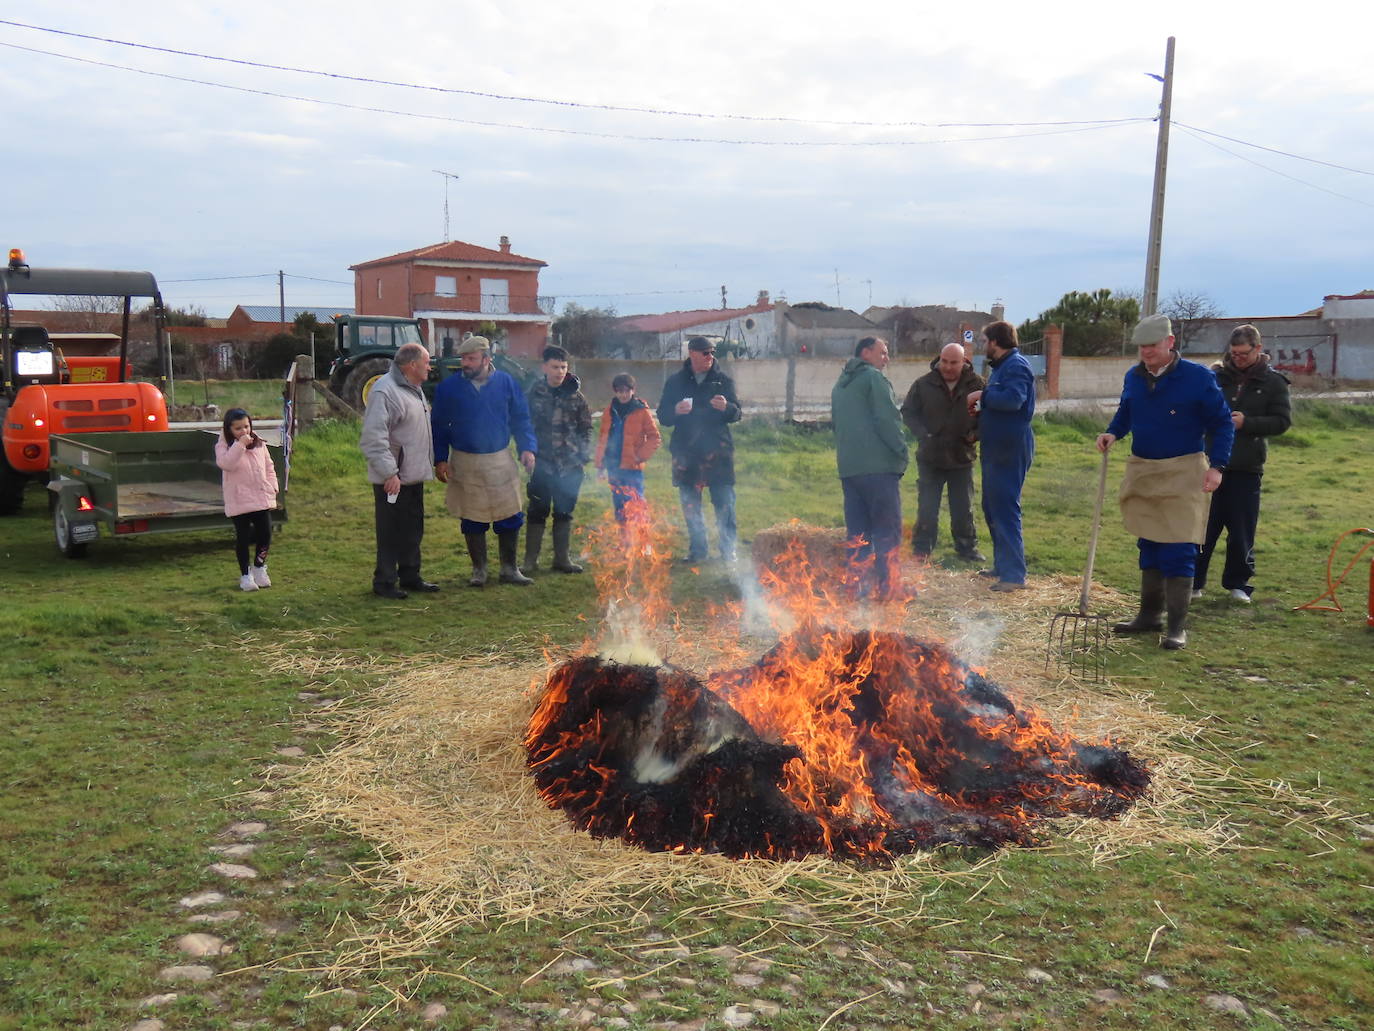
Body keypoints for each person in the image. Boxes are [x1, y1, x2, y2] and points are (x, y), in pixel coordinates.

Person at [1096, 313, 1234, 649]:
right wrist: (1113, 432)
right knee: (1150, 544)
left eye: (1152, 345)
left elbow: (1223, 424)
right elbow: (1126, 412)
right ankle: (1149, 616)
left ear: (1170, 343)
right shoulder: (1134, 377)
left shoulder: (1197, 378)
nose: (1146, 352)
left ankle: (1176, 627)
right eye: (1141, 346)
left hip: (1184, 471)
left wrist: (1217, 466)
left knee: (1179, 547)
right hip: (1144, 469)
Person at [1193, 325, 1291, 603]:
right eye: (1233, 353)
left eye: (1244, 353)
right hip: (1210, 463)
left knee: (1241, 529)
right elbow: (1198, 411)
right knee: (1203, 527)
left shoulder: (1273, 383)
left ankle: (1238, 584)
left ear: (1258, 349)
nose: (1238, 358)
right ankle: (1194, 582)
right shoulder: (1215, 377)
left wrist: (1247, 423)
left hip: (1247, 467)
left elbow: (1282, 421)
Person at [431, 336, 537, 587]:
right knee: (472, 518)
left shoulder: (506, 383)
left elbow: (521, 419)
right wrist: (440, 458)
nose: (465, 364)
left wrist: (527, 448)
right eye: (463, 359)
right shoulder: (449, 388)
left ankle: (509, 569)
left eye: (471, 359)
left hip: (499, 459)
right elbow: (438, 426)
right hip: (465, 460)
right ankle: (479, 570)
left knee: (509, 514)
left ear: (486, 360)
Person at [831, 336, 909, 598]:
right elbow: (886, 419)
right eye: (883, 353)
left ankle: (856, 586)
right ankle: (889, 586)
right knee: (887, 530)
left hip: (849, 469)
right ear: (866, 353)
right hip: (878, 468)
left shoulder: (841, 384)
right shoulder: (873, 379)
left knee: (858, 534)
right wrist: (901, 451)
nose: (886, 358)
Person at [358, 342, 437, 599]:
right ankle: (385, 582)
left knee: (412, 530)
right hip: (394, 479)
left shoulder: (414, 389)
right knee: (391, 532)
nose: (429, 366)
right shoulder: (385, 392)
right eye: (426, 362)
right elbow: (373, 438)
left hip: (413, 476)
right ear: (411, 365)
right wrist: (389, 473)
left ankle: (411, 576)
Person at [656, 336, 742, 563]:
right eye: (705, 353)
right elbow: (663, 416)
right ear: (692, 353)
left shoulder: (723, 381)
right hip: (687, 454)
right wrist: (675, 410)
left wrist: (727, 408)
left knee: (725, 504)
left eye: (712, 352)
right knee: (691, 506)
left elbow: (737, 414)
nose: (710, 357)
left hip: (718, 452)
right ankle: (698, 550)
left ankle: (728, 551)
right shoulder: (676, 382)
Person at [966, 321, 1036, 591]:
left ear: (996, 342)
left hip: (1010, 448)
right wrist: (984, 408)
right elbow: (1002, 401)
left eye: (985, 341)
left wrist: (982, 393)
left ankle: (1014, 576)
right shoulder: (1003, 367)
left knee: (1005, 509)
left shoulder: (1016, 366)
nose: (984, 346)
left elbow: (1014, 400)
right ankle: (1002, 566)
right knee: (992, 507)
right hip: (997, 447)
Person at [901, 342, 986, 562]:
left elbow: (987, 417)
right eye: (944, 361)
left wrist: (974, 435)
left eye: (953, 363)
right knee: (927, 506)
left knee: (963, 507)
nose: (947, 367)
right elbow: (908, 412)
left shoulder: (977, 386)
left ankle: (967, 548)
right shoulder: (923, 385)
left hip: (962, 456)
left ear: (964, 361)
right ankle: (922, 548)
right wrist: (922, 433)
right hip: (931, 457)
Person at [522, 345, 594, 576]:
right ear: (545, 367)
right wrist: (526, 452)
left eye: (563, 367)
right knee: (537, 511)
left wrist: (582, 455)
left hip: (570, 465)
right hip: (541, 462)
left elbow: (586, 428)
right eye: (555, 367)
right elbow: (523, 426)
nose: (559, 371)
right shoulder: (534, 393)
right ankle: (530, 562)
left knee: (564, 512)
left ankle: (562, 559)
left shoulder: (576, 396)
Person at [215, 407, 280, 592]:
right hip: (239, 499)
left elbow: (269, 465)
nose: (244, 431)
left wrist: (273, 485)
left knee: (265, 534)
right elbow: (227, 464)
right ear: (229, 430)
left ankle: (259, 567)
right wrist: (240, 444)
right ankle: (245, 575)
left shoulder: (258, 442)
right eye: (238, 428)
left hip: (260, 496)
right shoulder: (223, 446)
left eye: (246, 426)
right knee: (243, 538)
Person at [595, 373, 662, 522]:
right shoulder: (609, 411)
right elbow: (603, 439)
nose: (623, 394)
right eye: (619, 391)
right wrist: (601, 465)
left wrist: (640, 456)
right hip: (614, 467)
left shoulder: (642, 411)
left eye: (627, 390)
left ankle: (641, 542)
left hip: (632, 469)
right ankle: (625, 542)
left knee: (636, 505)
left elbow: (654, 437)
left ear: (633, 390)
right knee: (619, 508)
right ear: (615, 391)